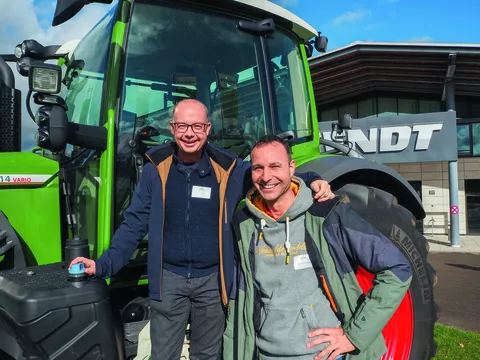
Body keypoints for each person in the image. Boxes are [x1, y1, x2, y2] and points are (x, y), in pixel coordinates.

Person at [70, 99, 334, 360]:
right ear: (172, 129)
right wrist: (103, 265)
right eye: (183, 126)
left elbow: (271, 178)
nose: (189, 133)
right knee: (163, 354)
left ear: (207, 130)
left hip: (212, 281)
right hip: (169, 279)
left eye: (197, 126)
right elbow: (134, 223)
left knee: (206, 355)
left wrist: (312, 180)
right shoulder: (156, 170)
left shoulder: (227, 169)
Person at [224, 135, 413, 360]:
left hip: (320, 355)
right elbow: (238, 304)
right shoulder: (243, 225)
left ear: (291, 167)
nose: (266, 177)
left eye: (275, 166)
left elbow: (398, 269)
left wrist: (353, 336)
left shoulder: (325, 215)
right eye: (258, 168)